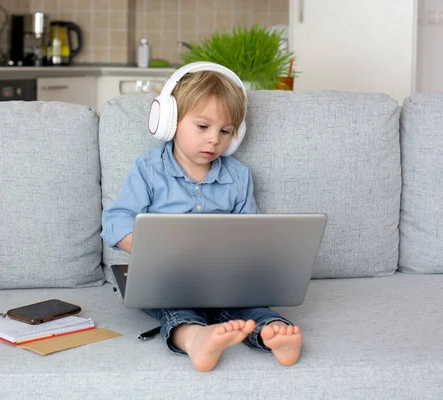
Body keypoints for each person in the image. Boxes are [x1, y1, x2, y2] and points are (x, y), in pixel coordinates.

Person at [101, 63, 303, 372]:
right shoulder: (149, 169)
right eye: (203, 126)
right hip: (166, 278)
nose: (214, 140)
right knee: (174, 308)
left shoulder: (238, 177)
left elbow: (253, 233)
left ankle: (271, 332)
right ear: (170, 121)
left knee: (250, 305)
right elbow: (115, 221)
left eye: (225, 132)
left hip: (224, 279)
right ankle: (195, 338)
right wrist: (151, 250)